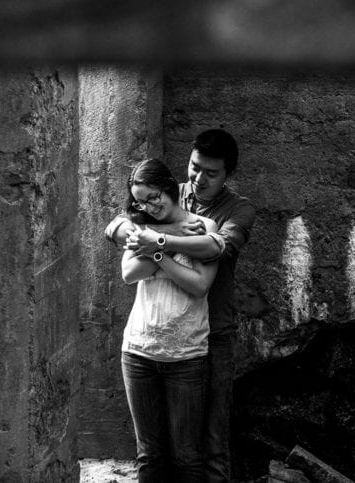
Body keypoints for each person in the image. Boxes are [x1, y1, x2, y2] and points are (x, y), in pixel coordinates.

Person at [107, 129, 256, 483]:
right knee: (155, 451)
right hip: (149, 340)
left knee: (211, 441)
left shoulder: (238, 209)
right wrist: (131, 230)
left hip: (211, 331)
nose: (198, 178)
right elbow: (117, 224)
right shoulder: (169, 196)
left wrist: (157, 242)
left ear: (228, 174)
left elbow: (216, 247)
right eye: (194, 167)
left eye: (211, 173)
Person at [118, 158, 223, 483]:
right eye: (140, 201)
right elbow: (129, 273)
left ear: (168, 187)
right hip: (138, 352)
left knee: (186, 456)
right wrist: (163, 238)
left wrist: (157, 252)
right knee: (149, 455)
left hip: (186, 356)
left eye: (154, 197)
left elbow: (199, 286)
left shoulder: (203, 228)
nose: (149, 206)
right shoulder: (141, 225)